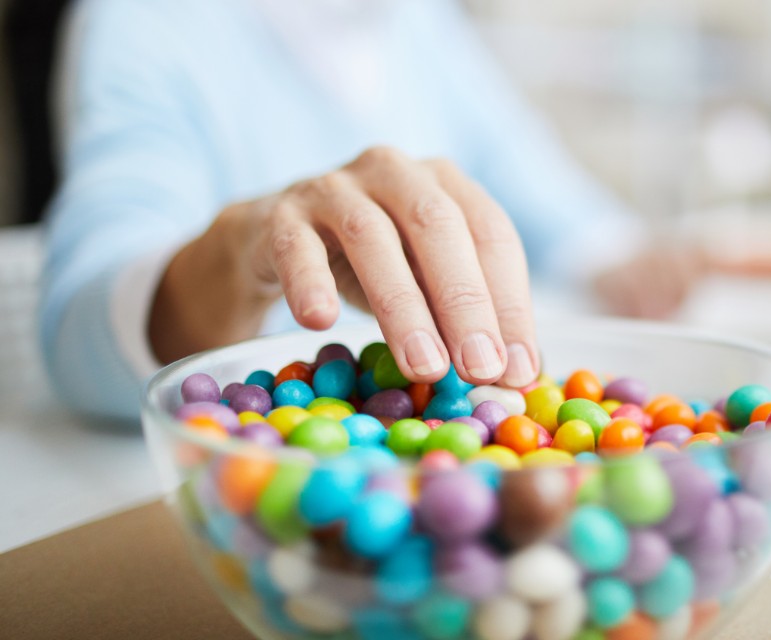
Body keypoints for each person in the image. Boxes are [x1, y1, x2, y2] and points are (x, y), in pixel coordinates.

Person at [39, 0, 702, 421]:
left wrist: (615, 249)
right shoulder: (139, 20)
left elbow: (528, 171)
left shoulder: (418, 19)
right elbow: (78, 334)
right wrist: (243, 251)